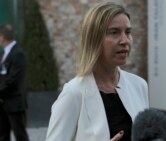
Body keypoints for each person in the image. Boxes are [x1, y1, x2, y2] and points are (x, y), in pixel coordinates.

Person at [45, 2, 149, 141]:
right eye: (114, 32)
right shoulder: (74, 93)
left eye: (128, 32)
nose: (125, 40)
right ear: (94, 39)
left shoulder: (139, 86)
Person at [0, 24, 29, 141]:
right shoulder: (4, 53)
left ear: (2, 37)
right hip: (3, 103)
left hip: (14, 103)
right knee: (3, 136)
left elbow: (13, 80)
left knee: (20, 136)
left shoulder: (18, 54)